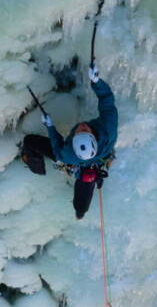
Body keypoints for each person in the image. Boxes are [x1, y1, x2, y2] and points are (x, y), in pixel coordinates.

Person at [22, 64, 119, 219]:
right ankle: (80, 210)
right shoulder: (109, 129)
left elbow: (56, 145)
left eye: (81, 131)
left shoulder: (67, 155)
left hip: (87, 166)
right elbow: (107, 100)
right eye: (82, 131)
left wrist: (50, 126)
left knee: (30, 141)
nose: (81, 127)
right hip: (100, 158)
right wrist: (96, 81)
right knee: (88, 182)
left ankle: (79, 212)